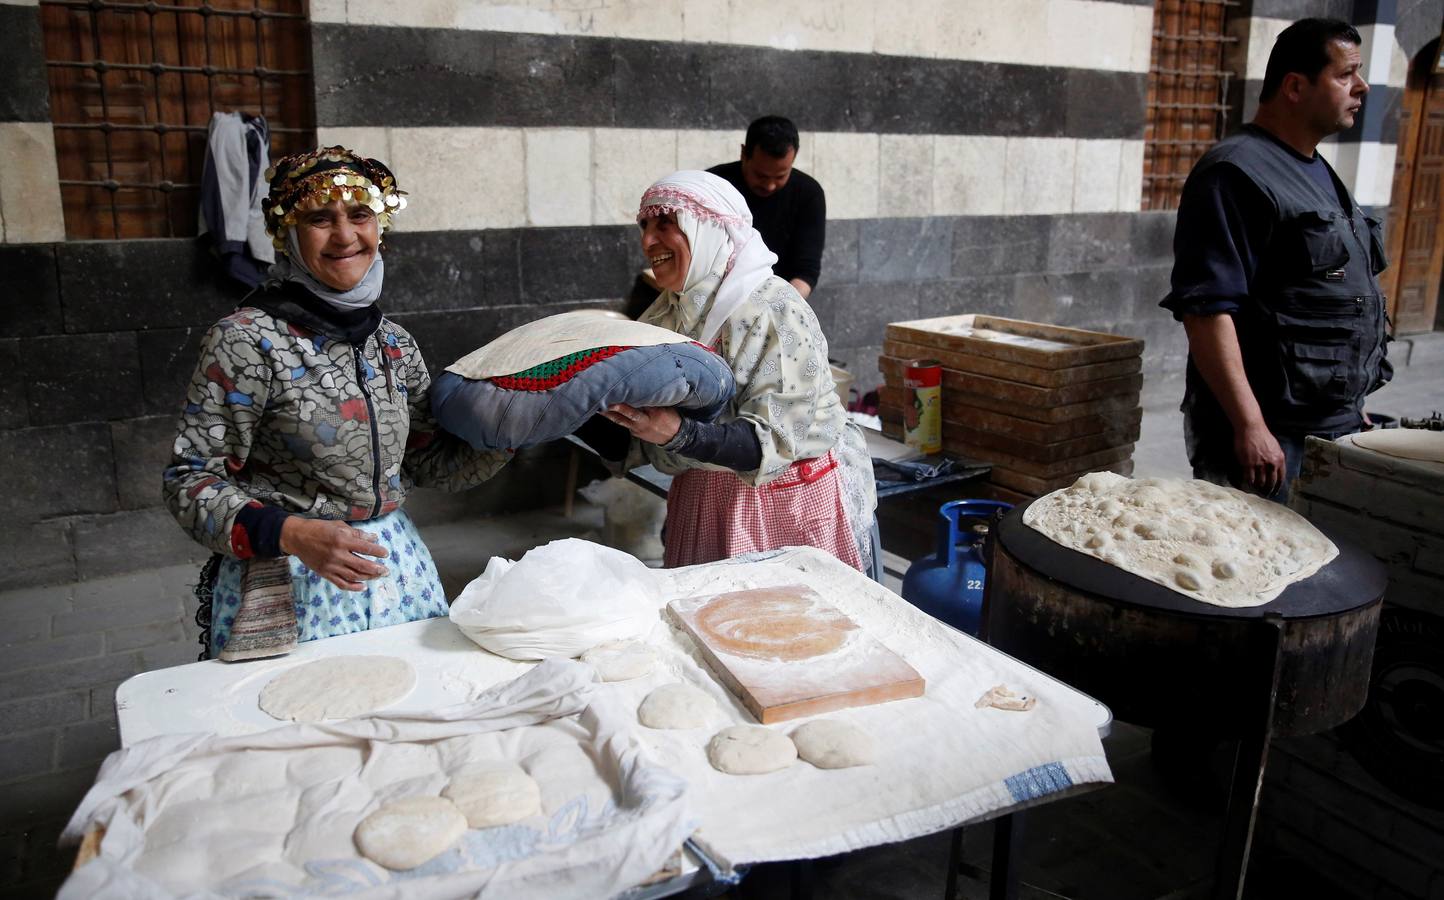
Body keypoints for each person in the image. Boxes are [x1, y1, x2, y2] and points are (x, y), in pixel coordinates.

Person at [163, 146, 512, 659]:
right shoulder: (248, 341)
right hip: (291, 577)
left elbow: (427, 461)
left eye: (360, 215)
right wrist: (293, 533)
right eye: (320, 218)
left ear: (380, 228)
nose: (345, 236)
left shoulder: (393, 343)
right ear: (289, 235)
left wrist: (511, 429)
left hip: (396, 571)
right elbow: (189, 480)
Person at [590, 170, 876, 576]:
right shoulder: (664, 314)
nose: (647, 241)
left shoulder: (773, 309)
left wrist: (677, 433)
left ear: (707, 227)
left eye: (665, 224)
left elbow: (770, 442)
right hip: (702, 497)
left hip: (781, 504)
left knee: (780, 627)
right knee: (703, 627)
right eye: (645, 225)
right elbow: (639, 429)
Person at [1161, 17, 1391, 503]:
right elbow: (1207, 312)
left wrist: (1351, 410)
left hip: (1328, 428)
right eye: (1345, 74)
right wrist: (1251, 426)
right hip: (1271, 441)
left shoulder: (1316, 169)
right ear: (1294, 85)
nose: (1362, 87)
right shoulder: (1235, 172)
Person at [707, 116, 826, 300]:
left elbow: (806, 270)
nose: (770, 185)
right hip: (715, 296)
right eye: (760, 175)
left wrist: (781, 305)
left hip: (780, 297)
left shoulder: (809, 194)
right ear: (744, 154)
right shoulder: (714, 185)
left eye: (780, 176)